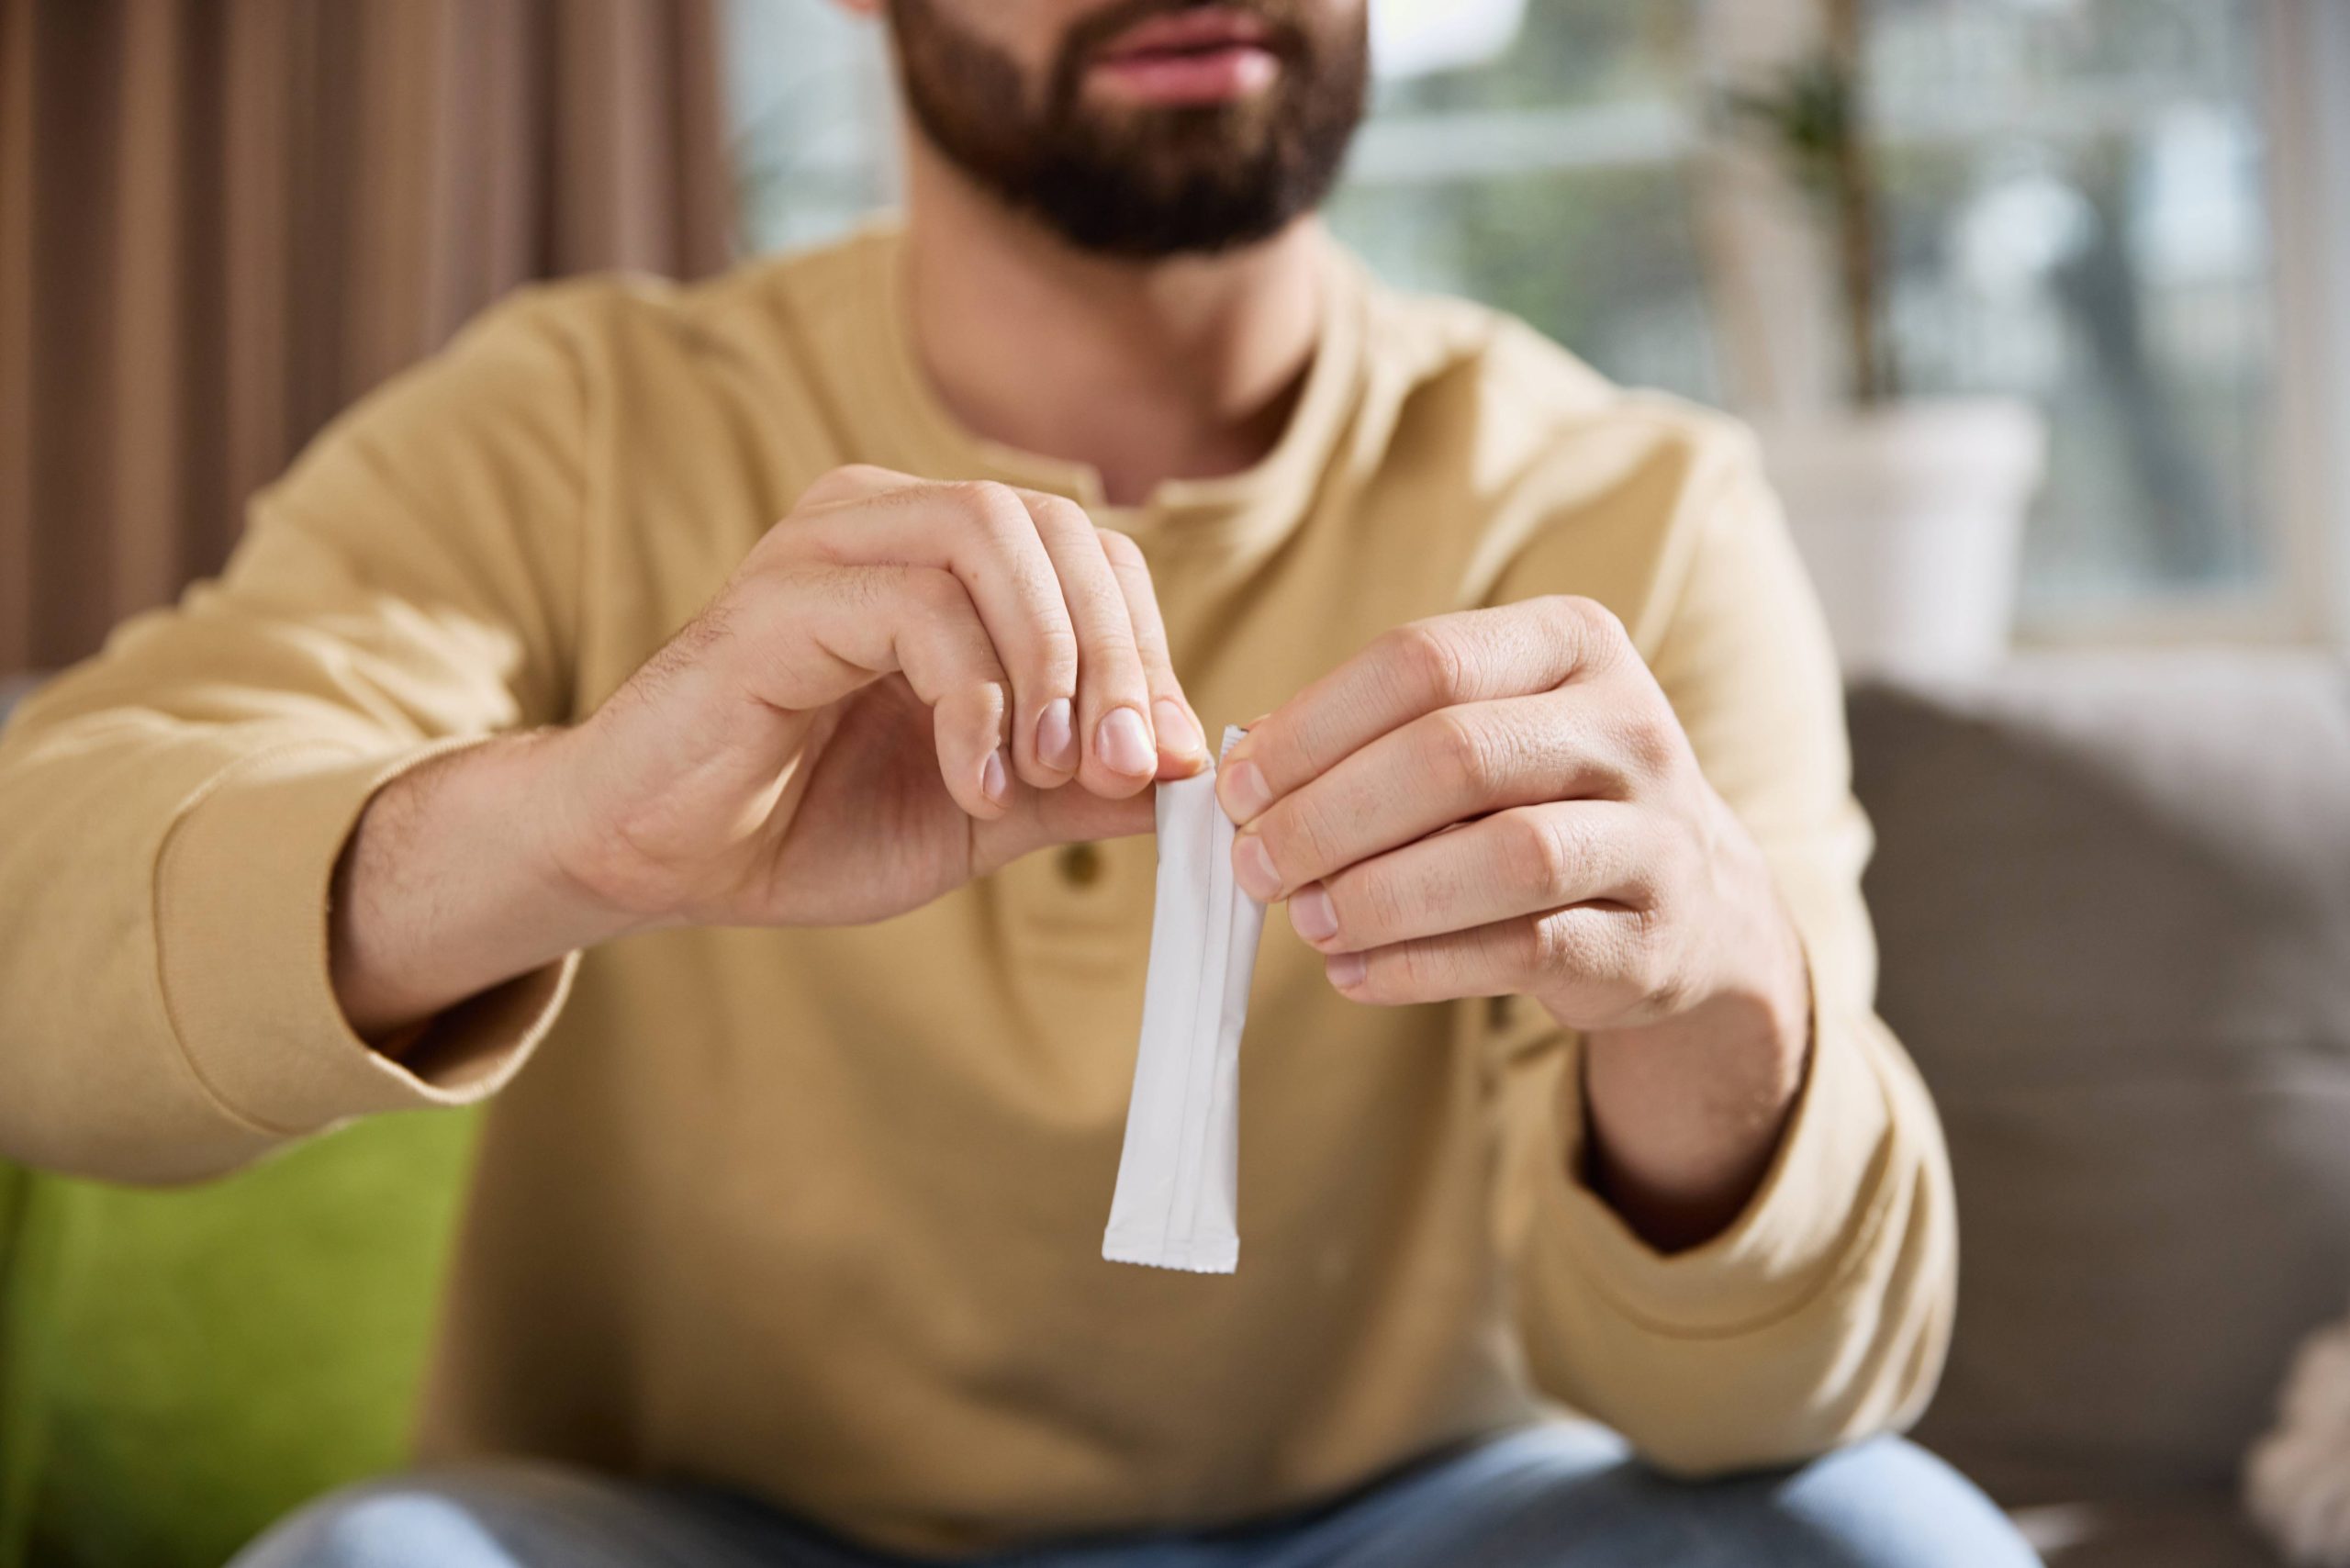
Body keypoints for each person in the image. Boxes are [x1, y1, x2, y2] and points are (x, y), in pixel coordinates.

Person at [0, 0, 2041, 1563]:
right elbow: (39, 962)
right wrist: (575, 825)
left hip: (1431, 1518)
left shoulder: (1633, 508)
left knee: (1881, 1537)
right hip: (692, 1523)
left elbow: (1793, 1392)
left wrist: (1718, 1000)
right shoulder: (568, 428)